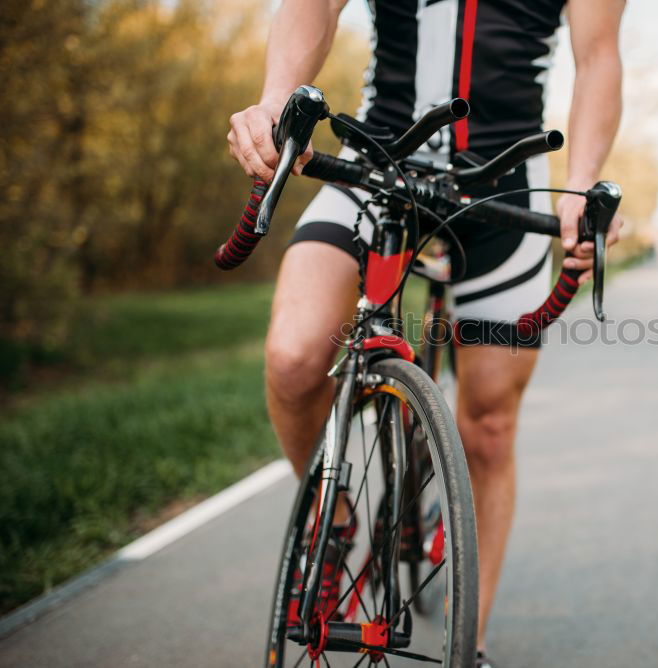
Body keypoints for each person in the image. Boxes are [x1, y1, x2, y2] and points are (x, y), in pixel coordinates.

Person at [227, 0, 625, 664]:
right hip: (377, 157)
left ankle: (467, 647)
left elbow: (599, 56)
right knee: (295, 357)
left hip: (505, 188)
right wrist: (274, 100)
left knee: (490, 428)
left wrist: (582, 185)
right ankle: (337, 517)